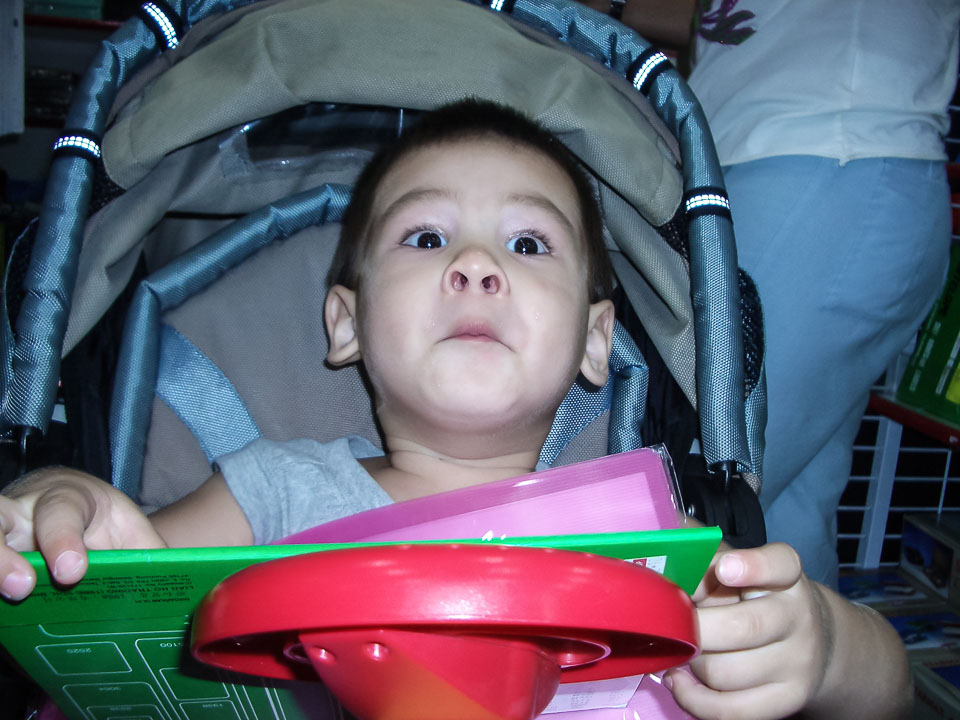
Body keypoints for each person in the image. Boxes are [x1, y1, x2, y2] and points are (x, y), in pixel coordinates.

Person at [0, 99, 910, 720]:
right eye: (428, 236)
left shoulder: (642, 533)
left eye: (529, 243)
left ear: (597, 340)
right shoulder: (270, 493)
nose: (476, 266)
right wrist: (61, 516)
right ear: (347, 323)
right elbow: (116, 602)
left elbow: (893, 691)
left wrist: (826, 650)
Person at [685, 0, 959, 589]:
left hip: (823, 156)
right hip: (831, 167)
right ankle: (815, 652)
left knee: (703, 495)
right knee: (787, 513)